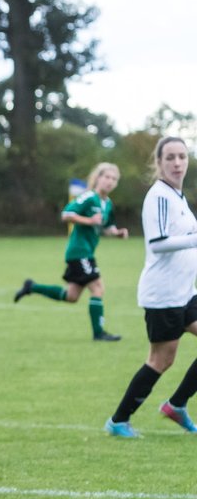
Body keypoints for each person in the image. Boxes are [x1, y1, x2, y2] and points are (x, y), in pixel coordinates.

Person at [105, 137, 197, 437]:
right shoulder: (159, 196)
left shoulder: (178, 197)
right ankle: (119, 420)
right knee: (161, 360)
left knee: (163, 359)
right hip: (164, 295)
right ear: (158, 163)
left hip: (185, 292)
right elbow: (158, 244)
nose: (177, 163)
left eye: (182, 156)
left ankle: (177, 405)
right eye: (169, 157)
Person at [13, 163, 129, 341]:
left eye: (114, 179)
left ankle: (32, 287)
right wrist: (89, 220)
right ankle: (99, 333)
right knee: (98, 288)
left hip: (86, 252)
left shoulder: (108, 204)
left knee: (72, 296)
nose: (110, 182)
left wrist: (117, 233)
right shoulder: (89, 197)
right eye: (107, 177)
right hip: (79, 251)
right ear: (98, 178)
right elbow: (66, 214)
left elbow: (106, 227)